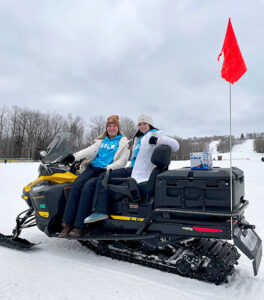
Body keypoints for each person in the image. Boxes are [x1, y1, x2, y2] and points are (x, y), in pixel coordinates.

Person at [84, 114, 179, 223]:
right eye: (140, 124)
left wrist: (158, 141)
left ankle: (100, 211)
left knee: (104, 176)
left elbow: (176, 145)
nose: (142, 126)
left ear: (150, 124)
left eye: (145, 124)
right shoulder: (138, 138)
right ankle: (101, 210)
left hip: (143, 172)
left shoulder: (155, 134)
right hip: (133, 169)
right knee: (106, 175)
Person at [59, 115, 129, 238]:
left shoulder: (123, 142)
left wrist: (108, 168)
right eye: (109, 126)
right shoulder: (101, 141)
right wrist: (74, 156)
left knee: (87, 188)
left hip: (106, 171)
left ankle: (79, 225)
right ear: (106, 128)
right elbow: (88, 151)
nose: (111, 128)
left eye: (114, 126)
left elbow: (123, 161)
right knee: (76, 185)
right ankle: (68, 223)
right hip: (93, 168)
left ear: (118, 128)